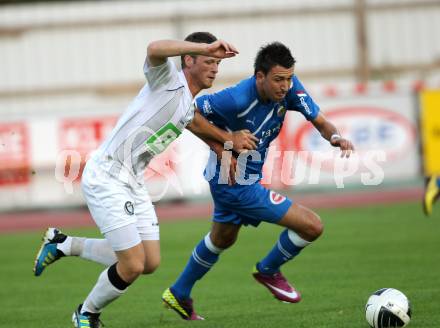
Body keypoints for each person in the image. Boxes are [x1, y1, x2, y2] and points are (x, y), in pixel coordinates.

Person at [32, 32, 259, 328]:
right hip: (108, 176)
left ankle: (63, 244)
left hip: (133, 181)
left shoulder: (187, 102)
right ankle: (85, 314)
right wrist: (204, 46)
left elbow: (193, 121)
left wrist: (225, 143)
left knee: (149, 262)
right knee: (132, 264)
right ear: (188, 60)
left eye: (217, 63)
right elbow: (154, 48)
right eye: (209, 61)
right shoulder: (167, 79)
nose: (215, 68)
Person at [161, 42, 355, 320]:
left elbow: (320, 120)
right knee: (312, 226)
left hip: (243, 177)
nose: (285, 86)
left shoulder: (289, 88)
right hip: (233, 182)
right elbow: (187, 114)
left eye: (288, 78)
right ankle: (268, 270)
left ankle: (179, 292)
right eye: (278, 80)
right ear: (259, 77)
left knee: (222, 239)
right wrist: (222, 146)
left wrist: (335, 137)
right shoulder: (236, 98)